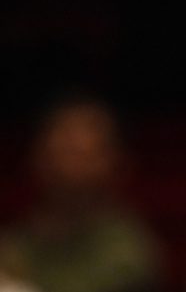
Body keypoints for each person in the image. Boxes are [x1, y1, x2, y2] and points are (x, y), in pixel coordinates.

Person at [0, 92, 163, 292]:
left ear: (116, 163)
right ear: (37, 156)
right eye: (62, 149)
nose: (68, 167)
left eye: (84, 154)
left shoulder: (129, 250)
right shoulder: (14, 243)